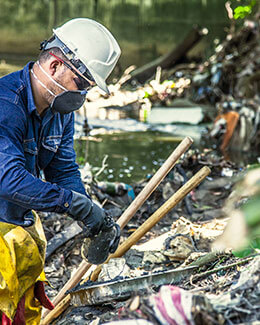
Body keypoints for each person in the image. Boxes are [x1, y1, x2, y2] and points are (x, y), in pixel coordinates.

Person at [0, 18, 121, 324]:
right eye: (81, 83)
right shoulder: (5, 104)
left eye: (88, 88)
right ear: (55, 66)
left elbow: (63, 168)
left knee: (24, 314)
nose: (82, 96)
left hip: (17, 228)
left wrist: (92, 216)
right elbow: (8, 178)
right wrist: (72, 203)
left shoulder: (58, 111)